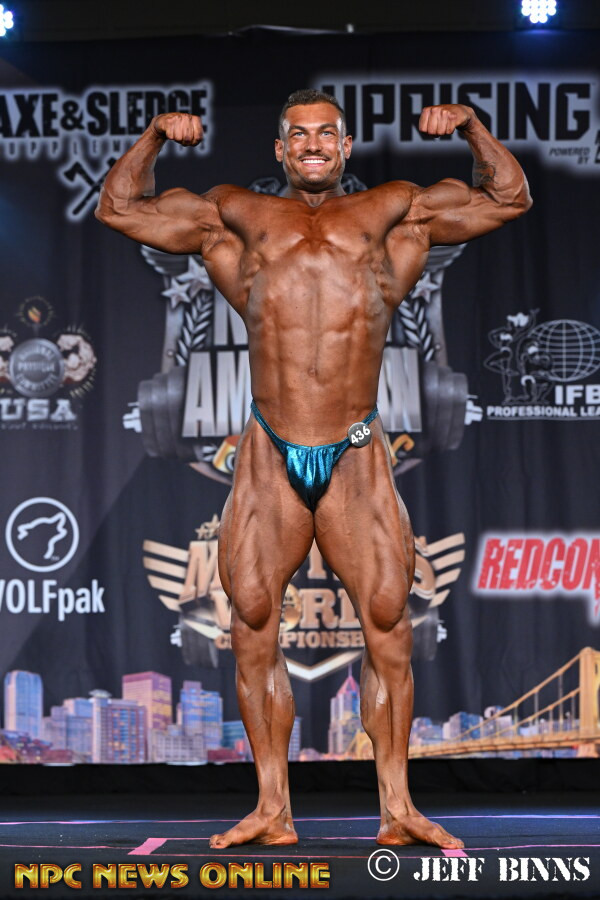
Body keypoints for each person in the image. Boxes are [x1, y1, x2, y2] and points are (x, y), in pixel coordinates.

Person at [96, 89, 532, 850]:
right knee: (252, 622)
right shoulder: (236, 216)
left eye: (326, 133)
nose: (313, 144)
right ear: (279, 149)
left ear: (346, 144)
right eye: (298, 134)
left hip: (356, 451)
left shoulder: (393, 212)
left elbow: (509, 197)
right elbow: (119, 208)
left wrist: (469, 125)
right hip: (270, 449)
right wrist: (156, 135)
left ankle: (398, 807)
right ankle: (273, 808)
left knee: (388, 625)